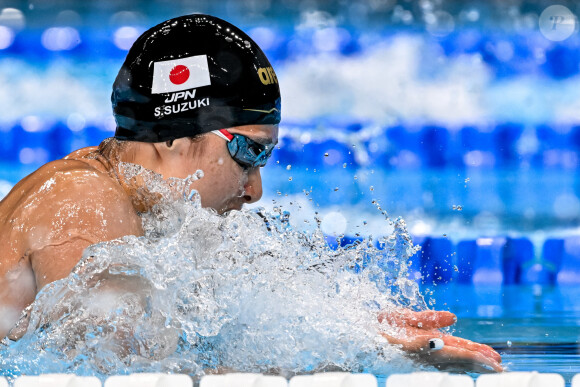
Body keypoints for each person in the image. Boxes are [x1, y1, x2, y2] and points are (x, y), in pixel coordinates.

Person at [0, 14, 502, 372]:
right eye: (250, 152)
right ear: (175, 134)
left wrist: (350, 329)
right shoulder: (86, 205)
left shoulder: (141, 204)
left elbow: (212, 323)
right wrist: (344, 361)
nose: (256, 189)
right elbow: (125, 371)